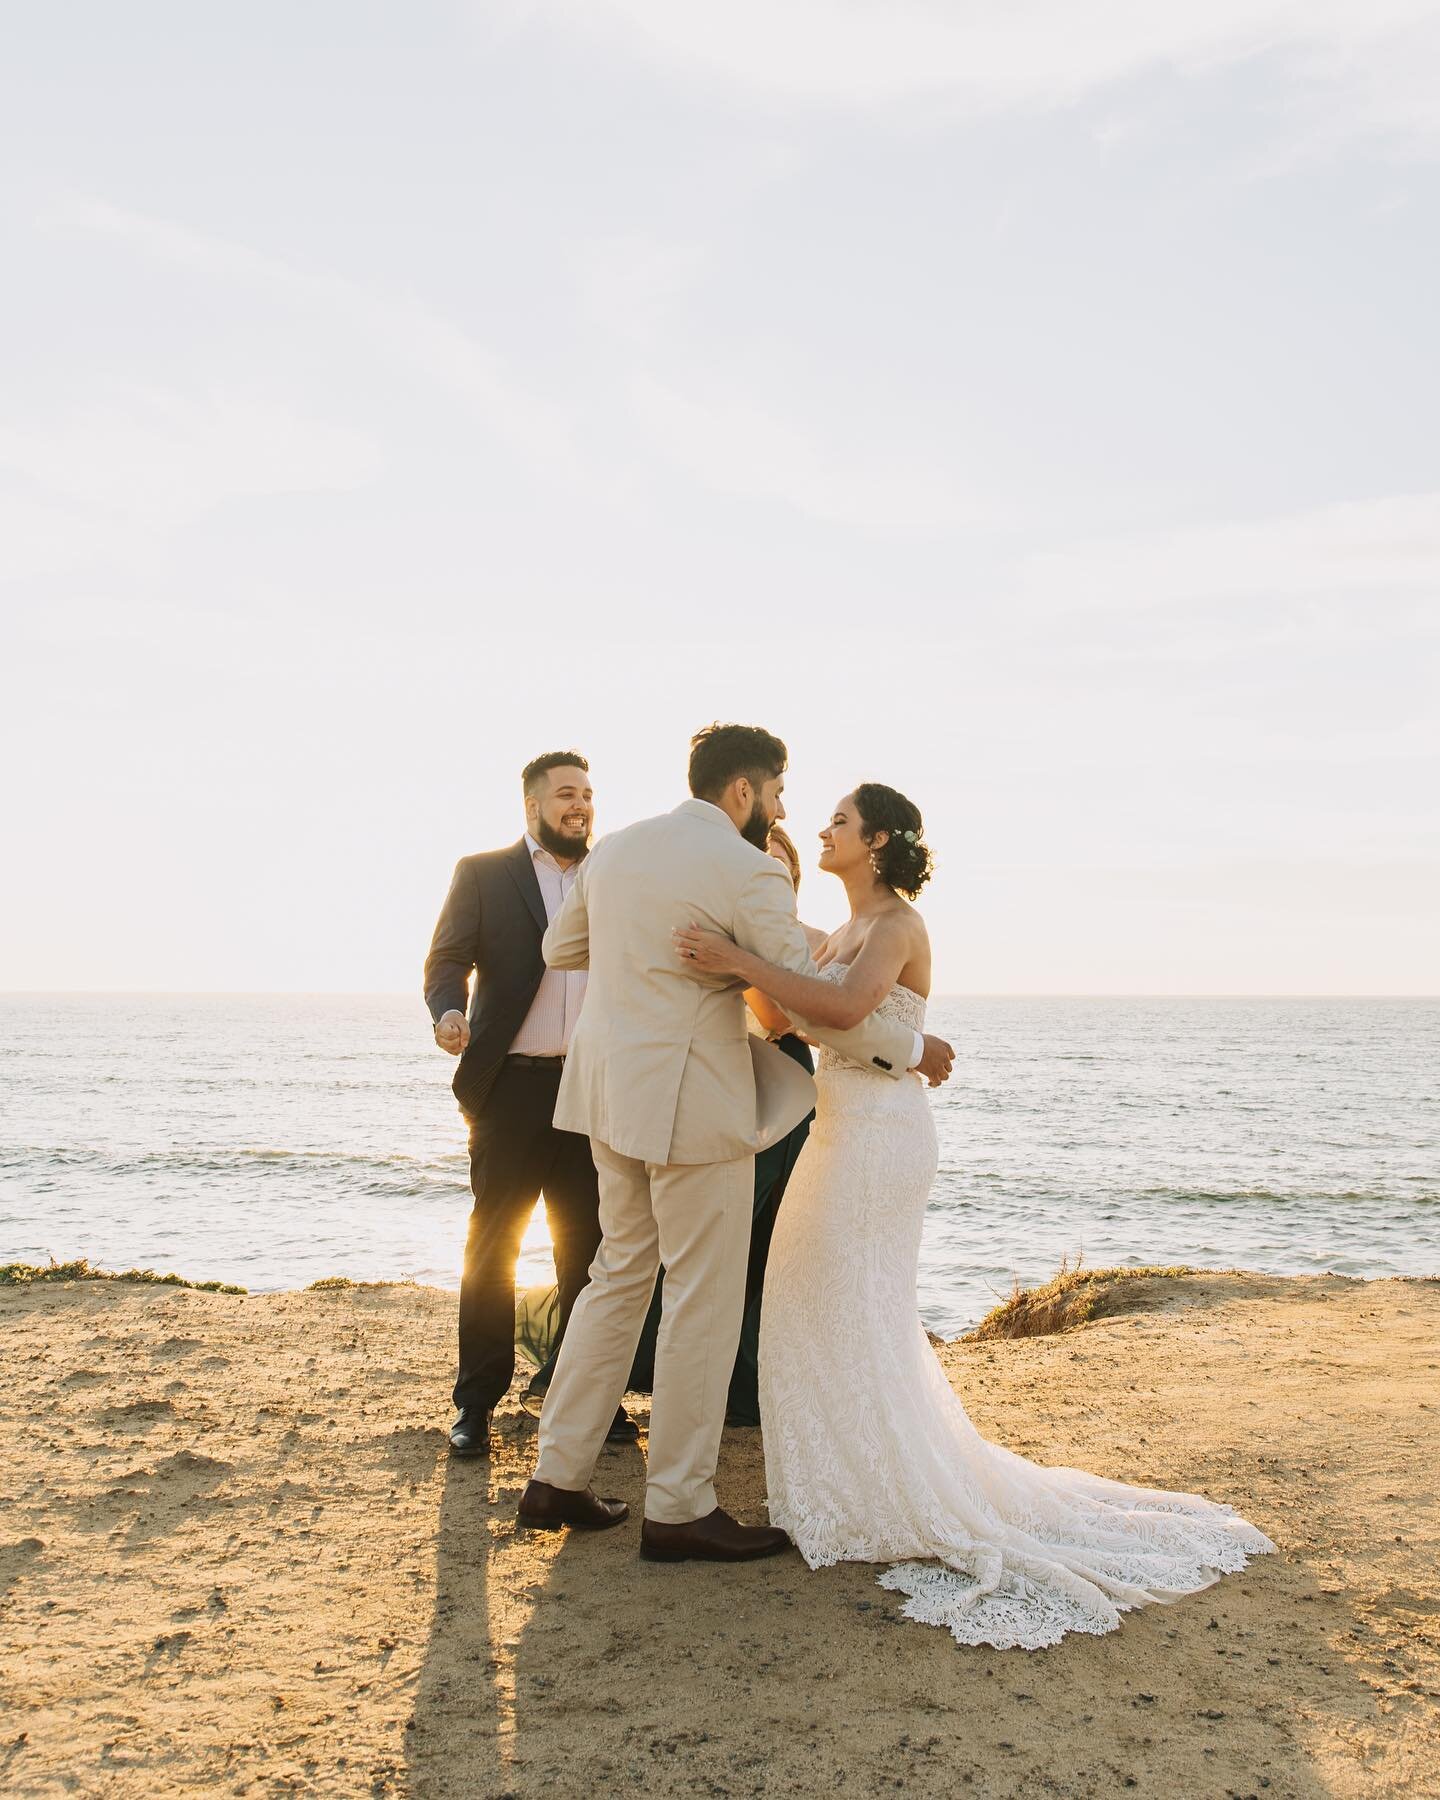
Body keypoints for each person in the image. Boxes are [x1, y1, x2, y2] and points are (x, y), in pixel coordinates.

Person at [673, 783, 1276, 1648]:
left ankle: (888, 1492)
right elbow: (786, 1017)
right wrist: (750, 954)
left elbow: (843, 1011)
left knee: (856, 1306)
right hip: (836, 1130)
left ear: (877, 840)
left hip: (883, 1139)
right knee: (809, 1304)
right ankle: (838, 1484)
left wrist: (739, 960)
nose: (824, 829)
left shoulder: (896, 926)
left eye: (839, 821)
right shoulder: (834, 933)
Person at [514, 725, 956, 1560]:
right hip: (688, 1104)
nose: (787, 812)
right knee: (700, 1298)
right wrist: (907, 1050)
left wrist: (660, 951)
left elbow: (557, 948)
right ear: (745, 792)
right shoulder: (747, 869)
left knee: (618, 1276)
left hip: (608, 1096)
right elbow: (798, 1010)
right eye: (781, 793)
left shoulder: (613, 854)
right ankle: (679, 1507)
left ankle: (556, 1477)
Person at [424, 751, 635, 1460]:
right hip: (510, 1088)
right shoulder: (482, 874)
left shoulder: (613, 873)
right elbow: (446, 961)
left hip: (592, 1088)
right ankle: (475, 1406)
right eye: (566, 794)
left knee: (592, 1254)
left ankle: (587, 1402)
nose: (580, 805)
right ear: (533, 805)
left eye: (588, 794)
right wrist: (448, 1012)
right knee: (494, 1248)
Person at [625, 823, 816, 1425]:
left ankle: (748, 1381)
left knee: (771, 1239)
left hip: (792, 1076)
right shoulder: (717, 933)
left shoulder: (805, 939)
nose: (773, 873)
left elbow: (809, 1014)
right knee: (724, 1236)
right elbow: (778, 1013)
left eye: (783, 867)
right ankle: (656, 1371)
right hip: (741, 1082)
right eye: (762, 862)